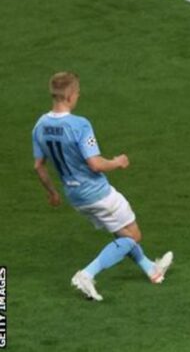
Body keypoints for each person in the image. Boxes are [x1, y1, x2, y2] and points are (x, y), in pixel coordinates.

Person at [32, 72, 173, 301]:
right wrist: (117, 162)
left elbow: (39, 166)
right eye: (78, 93)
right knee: (132, 237)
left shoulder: (40, 126)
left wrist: (52, 193)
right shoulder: (80, 125)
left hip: (75, 196)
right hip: (97, 193)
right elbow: (95, 164)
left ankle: (152, 270)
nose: (78, 96)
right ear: (70, 95)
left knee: (121, 233)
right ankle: (86, 275)